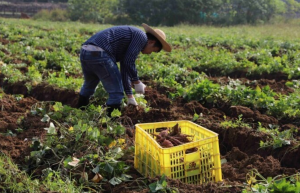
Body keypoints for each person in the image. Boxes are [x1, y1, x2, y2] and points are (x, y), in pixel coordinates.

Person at [76, 23, 172, 116]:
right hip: (100, 53)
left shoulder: (133, 38)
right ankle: (111, 123)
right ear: (152, 42)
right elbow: (129, 62)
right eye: (153, 50)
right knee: (117, 93)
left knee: (90, 84)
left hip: (86, 51)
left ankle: (80, 112)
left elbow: (125, 66)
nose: (150, 53)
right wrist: (136, 81)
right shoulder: (141, 37)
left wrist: (130, 96)